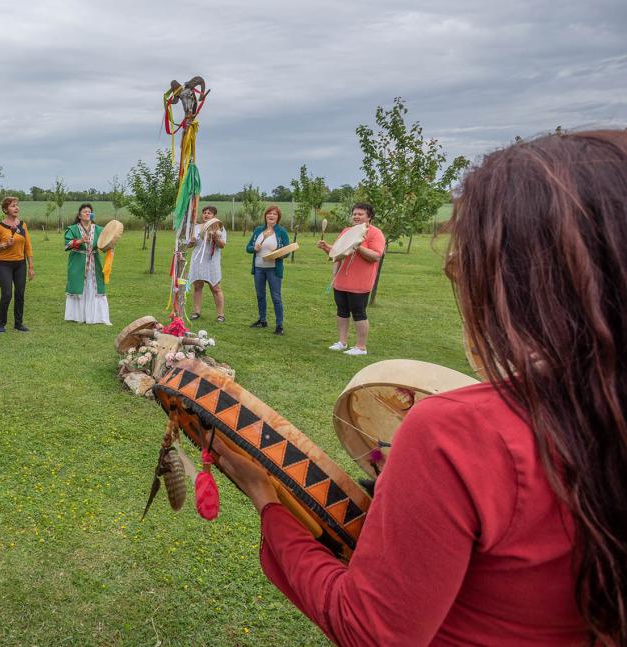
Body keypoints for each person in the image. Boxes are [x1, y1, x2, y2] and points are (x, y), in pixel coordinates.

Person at [212, 131, 627, 645]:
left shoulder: (458, 432)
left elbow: (370, 629)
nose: (456, 271)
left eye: (464, 259)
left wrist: (269, 503)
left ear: (507, 276)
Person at [317, 203, 384, 355]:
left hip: (360, 282)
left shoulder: (375, 233)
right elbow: (337, 253)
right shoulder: (347, 231)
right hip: (341, 281)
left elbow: (376, 256)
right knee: (342, 311)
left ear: (369, 217)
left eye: (360, 214)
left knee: (359, 312)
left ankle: (361, 347)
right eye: (354, 214)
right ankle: (342, 342)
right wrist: (327, 247)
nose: (356, 216)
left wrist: (358, 246)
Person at [0, 196, 35, 333]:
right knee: (7, 294)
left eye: (17, 205)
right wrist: (3, 245)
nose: (16, 208)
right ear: (5, 209)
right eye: (13, 205)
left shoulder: (22, 225)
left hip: (20, 264)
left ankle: (18, 324)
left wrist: (30, 267)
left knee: (20, 294)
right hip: (4, 265)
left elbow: (28, 247)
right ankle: (1, 324)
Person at [246, 205, 291, 334]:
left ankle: (279, 325)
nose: (271, 216)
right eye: (269, 213)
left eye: (274, 214)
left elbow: (287, 251)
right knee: (260, 296)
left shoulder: (281, 232)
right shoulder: (259, 230)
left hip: (273, 270)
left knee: (276, 297)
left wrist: (278, 253)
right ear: (265, 215)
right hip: (259, 269)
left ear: (278, 217)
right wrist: (254, 248)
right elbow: (248, 248)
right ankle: (262, 320)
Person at [63, 204, 110, 325]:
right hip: (78, 262)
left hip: (94, 262)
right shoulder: (72, 229)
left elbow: (104, 245)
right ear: (79, 216)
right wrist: (80, 240)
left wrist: (110, 244)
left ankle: (97, 317)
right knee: (79, 286)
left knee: (94, 287)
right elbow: (67, 245)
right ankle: (78, 316)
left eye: (90, 212)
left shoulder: (99, 229)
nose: (88, 213)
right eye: (85, 212)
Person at [186, 205, 227, 322]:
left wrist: (215, 238)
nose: (206, 214)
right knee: (197, 287)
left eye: (209, 213)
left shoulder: (219, 228)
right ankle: (196, 311)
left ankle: (220, 315)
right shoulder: (196, 227)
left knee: (216, 288)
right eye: (204, 212)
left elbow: (222, 245)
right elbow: (188, 245)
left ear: (214, 216)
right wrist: (191, 242)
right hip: (198, 261)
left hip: (212, 261)